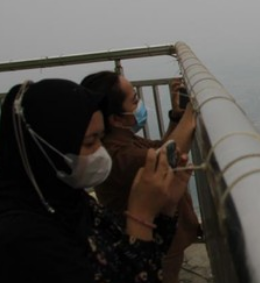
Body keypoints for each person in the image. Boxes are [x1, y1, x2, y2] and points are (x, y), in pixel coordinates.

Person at [0, 79, 192, 283]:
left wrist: (166, 208)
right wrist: (141, 215)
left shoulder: (68, 202)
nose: (101, 152)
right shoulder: (21, 238)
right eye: (90, 142)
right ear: (45, 147)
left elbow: (128, 256)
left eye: (101, 138)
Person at [81, 71, 199, 283]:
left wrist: (177, 116)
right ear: (116, 119)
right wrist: (194, 110)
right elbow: (166, 156)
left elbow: (159, 148)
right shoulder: (116, 154)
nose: (140, 104)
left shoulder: (122, 139)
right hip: (150, 242)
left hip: (161, 237)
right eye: (134, 100)